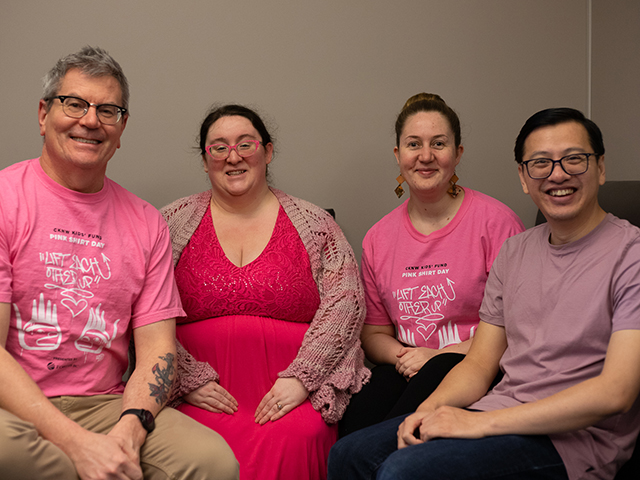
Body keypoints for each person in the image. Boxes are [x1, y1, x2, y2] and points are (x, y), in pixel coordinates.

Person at [328, 107, 640, 479]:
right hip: (498, 410)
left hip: (573, 438)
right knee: (350, 455)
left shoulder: (630, 255)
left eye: (574, 160)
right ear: (524, 178)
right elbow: (479, 363)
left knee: (405, 471)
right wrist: (430, 411)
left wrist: (481, 424)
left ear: (600, 167)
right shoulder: (515, 252)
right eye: (540, 163)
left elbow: (615, 392)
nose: (557, 174)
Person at [0, 46, 238, 480]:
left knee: (212, 462)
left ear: (122, 127)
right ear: (42, 114)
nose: (90, 120)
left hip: (106, 404)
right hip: (14, 404)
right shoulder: (5, 199)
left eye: (107, 110)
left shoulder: (146, 222)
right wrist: (76, 445)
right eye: (74, 103)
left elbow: (157, 352)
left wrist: (129, 429)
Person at [160, 104, 370, 480]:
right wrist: (185, 378)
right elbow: (142, 306)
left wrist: (302, 379)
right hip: (198, 394)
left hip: (291, 393)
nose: (233, 156)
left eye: (246, 144)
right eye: (219, 147)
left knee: (295, 437)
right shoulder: (169, 223)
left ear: (268, 151)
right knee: (194, 449)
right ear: (205, 159)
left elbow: (346, 303)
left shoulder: (315, 223)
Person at [339, 93, 524, 437]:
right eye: (414, 144)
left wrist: (436, 355)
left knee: (392, 436)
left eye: (438, 143)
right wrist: (403, 356)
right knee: (354, 424)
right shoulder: (379, 237)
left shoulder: (496, 224)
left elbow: (520, 324)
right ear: (398, 155)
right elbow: (374, 332)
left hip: (474, 365)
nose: (426, 156)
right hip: (404, 366)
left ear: (458, 153)